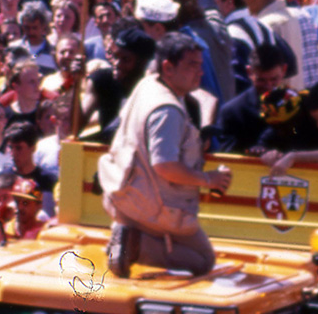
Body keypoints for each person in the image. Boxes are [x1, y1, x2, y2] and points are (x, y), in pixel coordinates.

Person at [98, 32, 233, 276]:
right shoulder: (167, 111)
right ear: (168, 68)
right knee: (203, 259)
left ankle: (131, 238)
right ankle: (133, 245)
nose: (200, 72)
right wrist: (209, 180)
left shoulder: (148, 84)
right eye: (192, 66)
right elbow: (165, 166)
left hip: (125, 195)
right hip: (152, 205)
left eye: (200, 66)